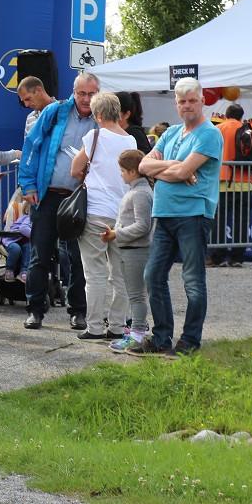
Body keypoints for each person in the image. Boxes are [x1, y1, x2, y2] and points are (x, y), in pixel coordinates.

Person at [138, 77, 223, 357]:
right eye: (182, 101)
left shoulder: (210, 134)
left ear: (203, 101)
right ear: (176, 103)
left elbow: (180, 173)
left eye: (192, 100)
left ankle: (190, 340)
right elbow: (142, 165)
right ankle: (161, 338)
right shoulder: (172, 132)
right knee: (153, 276)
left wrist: (167, 169)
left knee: (193, 280)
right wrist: (173, 165)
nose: (187, 105)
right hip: (164, 213)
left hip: (193, 214)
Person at [17, 72, 99, 331]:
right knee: (39, 255)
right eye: (82, 93)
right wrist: (27, 184)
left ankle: (78, 312)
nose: (86, 99)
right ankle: (35, 310)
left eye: (92, 93)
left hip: (81, 198)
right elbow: (31, 147)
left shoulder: (102, 118)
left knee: (77, 257)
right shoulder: (55, 112)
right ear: (74, 92)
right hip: (47, 195)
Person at [69, 92, 136, 341]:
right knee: (120, 274)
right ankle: (117, 325)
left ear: (98, 115)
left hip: (95, 210)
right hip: (123, 214)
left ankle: (95, 326)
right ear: (118, 112)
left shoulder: (94, 135)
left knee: (94, 272)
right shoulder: (131, 141)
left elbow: (75, 168)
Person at [101, 149, 154, 354]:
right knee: (135, 295)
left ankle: (137, 336)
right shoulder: (135, 191)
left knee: (137, 296)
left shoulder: (140, 193)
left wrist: (116, 233)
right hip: (129, 249)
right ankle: (135, 334)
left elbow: (143, 226)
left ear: (133, 172)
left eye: (123, 170)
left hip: (136, 250)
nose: (121, 174)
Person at [210, 103, 252, 267]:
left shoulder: (218, 128)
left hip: (222, 181)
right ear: (241, 116)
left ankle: (217, 256)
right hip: (245, 181)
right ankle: (237, 257)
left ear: (226, 115)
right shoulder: (248, 129)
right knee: (241, 221)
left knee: (219, 221)